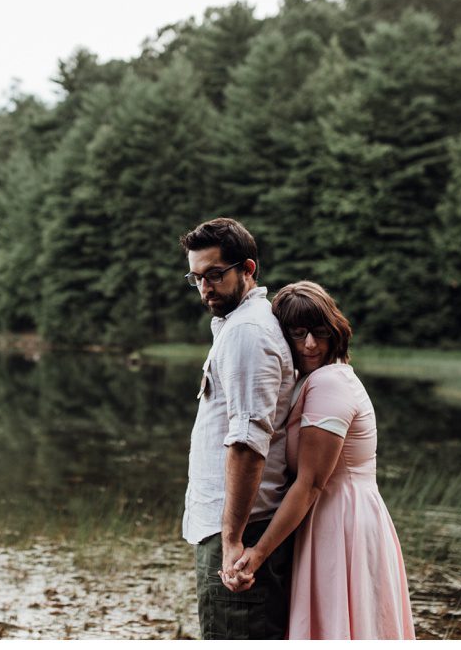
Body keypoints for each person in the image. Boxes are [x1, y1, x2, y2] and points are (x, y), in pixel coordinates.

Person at [222, 280, 416, 640]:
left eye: (319, 332)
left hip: (339, 518)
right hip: (340, 512)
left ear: (335, 331)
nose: (310, 344)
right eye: (297, 334)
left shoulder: (329, 383)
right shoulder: (314, 379)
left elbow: (310, 483)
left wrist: (259, 552)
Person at [178, 217, 297, 640]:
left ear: (248, 269)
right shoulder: (240, 325)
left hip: (241, 530)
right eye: (196, 278)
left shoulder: (247, 332)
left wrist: (231, 540)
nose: (205, 287)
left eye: (214, 274)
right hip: (235, 524)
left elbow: (248, 445)